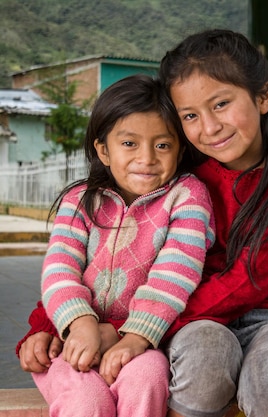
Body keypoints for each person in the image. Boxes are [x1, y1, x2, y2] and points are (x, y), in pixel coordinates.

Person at [18, 29, 268, 417]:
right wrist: (50, 325)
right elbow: (96, 254)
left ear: (263, 96)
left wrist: (127, 330)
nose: (209, 127)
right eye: (190, 115)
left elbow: (249, 279)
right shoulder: (183, 168)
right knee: (203, 365)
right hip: (186, 316)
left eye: (220, 104)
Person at [18, 74, 215, 417]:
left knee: (151, 376)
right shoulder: (80, 201)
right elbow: (59, 270)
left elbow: (175, 274)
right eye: (129, 143)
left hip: (140, 342)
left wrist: (135, 337)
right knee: (87, 401)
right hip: (72, 343)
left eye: (162, 145)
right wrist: (80, 326)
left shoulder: (187, 197)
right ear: (103, 150)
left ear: (180, 149)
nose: (147, 157)